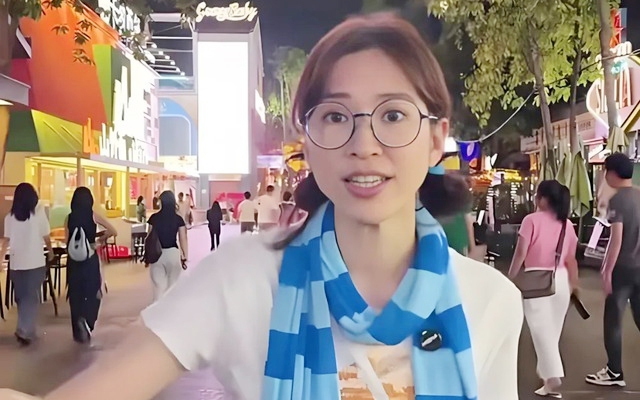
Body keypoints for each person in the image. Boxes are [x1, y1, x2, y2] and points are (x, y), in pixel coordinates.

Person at [1, 13, 523, 400]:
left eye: (392, 115)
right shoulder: (242, 279)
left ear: (435, 140)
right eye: (335, 117)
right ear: (308, 142)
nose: (364, 144)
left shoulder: (490, 301)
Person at [508, 180, 579, 398]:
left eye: (538, 195)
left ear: (544, 199)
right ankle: (548, 382)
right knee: (551, 333)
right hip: (562, 280)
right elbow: (571, 259)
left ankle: (553, 376)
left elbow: (520, 253)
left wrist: (510, 278)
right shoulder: (567, 224)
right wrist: (574, 284)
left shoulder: (531, 220)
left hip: (536, 279)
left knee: (541, 332)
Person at [586, 152, 640, 387]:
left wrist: (607, 270)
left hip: (623, 269)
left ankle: (614, 372)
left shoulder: (618, 200)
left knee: (613, 321)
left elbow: (616, 239)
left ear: (614, 173)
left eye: (606, 171)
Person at [0, 183, 54, 346]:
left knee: (22, 298)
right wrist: (51, 252)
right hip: (35, 263)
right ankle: (24, 330)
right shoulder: (38, 214)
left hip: (16, 264)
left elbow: (6, 241)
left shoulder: (9, 218)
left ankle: (27, 330)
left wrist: (1, 259)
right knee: (30, 298)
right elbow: (46, 237)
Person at [65, 187, 117, 343]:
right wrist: (99, 241)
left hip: (73, 261)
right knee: (94, 292)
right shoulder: (93, 215)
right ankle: (88, 321)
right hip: (89, 258)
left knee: (75, 295)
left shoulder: (69, 218)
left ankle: (77, 332)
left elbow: (67, 241)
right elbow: (113, 230)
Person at [147, 191, 189, 301]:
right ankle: (170, 308)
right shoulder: (178, 219)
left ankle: (158, 308)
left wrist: (147, 255)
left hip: (157, 254)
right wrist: (185, 255)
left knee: (158, 287)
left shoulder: (154, 218)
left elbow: (149, 237)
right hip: (173, 254)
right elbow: (183, 238)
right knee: (172, 287)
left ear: (161, 202)